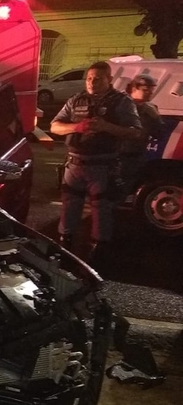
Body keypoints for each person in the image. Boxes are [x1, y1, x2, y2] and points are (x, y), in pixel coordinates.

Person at [50, 61, 142, 260]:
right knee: (69, 205)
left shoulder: (121, 101)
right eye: (89, 78)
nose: (92, 82)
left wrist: (106, 127)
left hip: (103, 165)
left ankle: (100, 249)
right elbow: (55, 126)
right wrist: (76, 127)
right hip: (74, 164)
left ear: (110, 80)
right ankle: (65, 244)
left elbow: (135, 133)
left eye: (98, 79)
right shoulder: (76, 100)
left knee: (101, 208)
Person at [119, 74, 163, 202]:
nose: (150, 93)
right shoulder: (121, 105)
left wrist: (155, 118)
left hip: (138, 155)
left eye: (151, 90)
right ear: (134, 88)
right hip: (119, 155)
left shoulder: (150, 108)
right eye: (146, 89)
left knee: (131, 189)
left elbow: (158, 134)